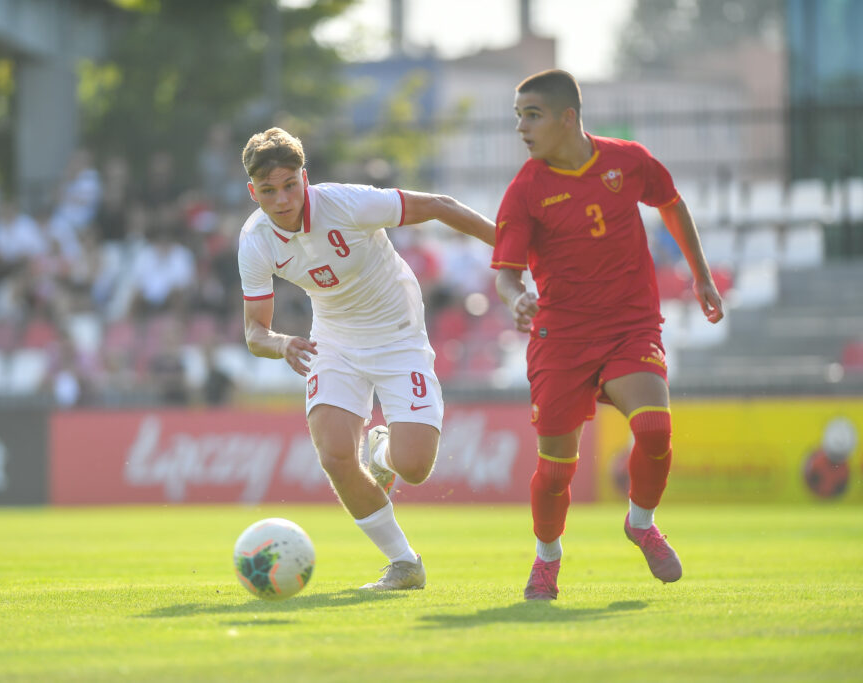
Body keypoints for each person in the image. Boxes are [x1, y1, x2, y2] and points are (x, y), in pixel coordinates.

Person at [491, 70, 725, 600]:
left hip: (629, 326)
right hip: (562, 337)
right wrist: (516, 297)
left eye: (533, 115)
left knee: (656, 431)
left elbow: (671, 202)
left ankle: (641, 522)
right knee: (555, 472)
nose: (522, 127)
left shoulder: (628, 159)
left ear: (567, 117)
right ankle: (547, 558)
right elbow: (505, 276)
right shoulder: (525, 190)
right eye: (517, 116)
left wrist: (702, 276)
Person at [238, 127, 495, 591]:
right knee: (335, 455)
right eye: (269, 191)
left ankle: (380, 448)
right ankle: (404, 564)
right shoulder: (255, 240)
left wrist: (511, 249)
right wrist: (282, 344)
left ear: (305, 178)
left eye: (290, 185)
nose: (282, 200)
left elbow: (438, 205)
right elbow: (254, 331)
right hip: (333, 339)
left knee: (414, 469)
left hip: (398, 334)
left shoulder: (346, 203)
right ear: (252, 191)